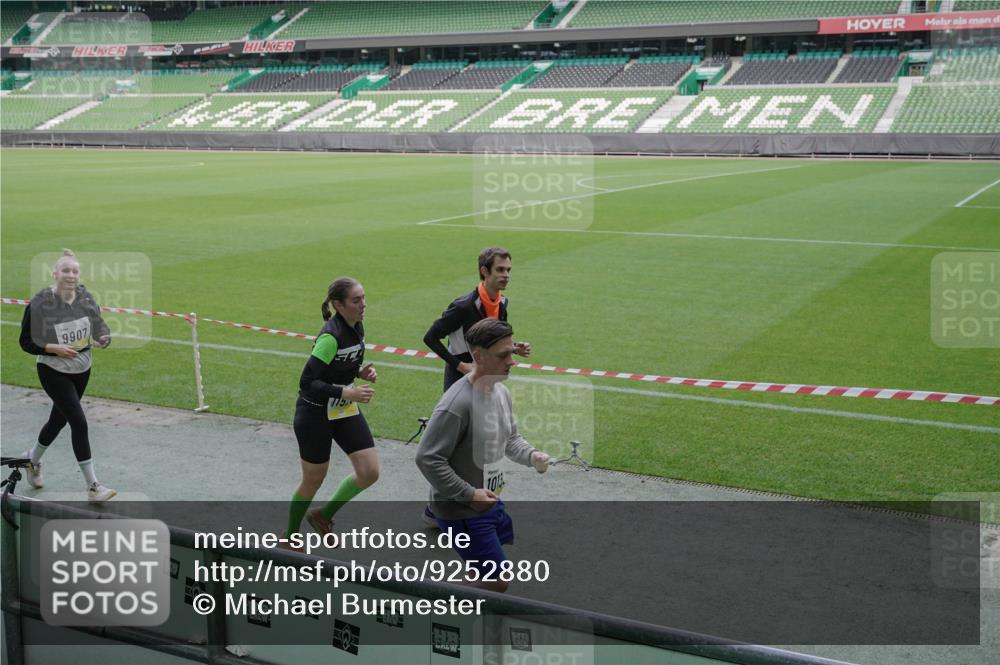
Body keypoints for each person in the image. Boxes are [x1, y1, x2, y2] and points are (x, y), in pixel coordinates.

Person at [415, 319, 550, 592]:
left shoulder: (501, 391)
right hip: (462, 510)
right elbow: (427, 458)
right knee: (497, 581)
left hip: (487, 501)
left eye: (511, 352)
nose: (512, 361)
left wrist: (532, 456)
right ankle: (427, 595)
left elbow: (511, 438)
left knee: (481, 570)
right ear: (478, 356)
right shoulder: (456, 405)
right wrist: (468, 494)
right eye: (503, 355)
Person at [421, 247, 532, 525]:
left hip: (485, 374)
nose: (506, 275)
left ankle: (473, 499)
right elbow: (430, 338)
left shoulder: (501, 303)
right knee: (453, 446)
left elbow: (495, 339)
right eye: (500, 270)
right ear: (484, 272)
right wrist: (459, 366)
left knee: (481, 441)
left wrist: (513, 349)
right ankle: (439, 507)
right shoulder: (462, 307)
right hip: (461, 377)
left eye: (508, 270)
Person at [284, 277, 379, 546]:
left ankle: (322, 516)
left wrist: (360, 372)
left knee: (369, 471)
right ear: (338, 305)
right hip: (314, 413)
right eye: (356, 300)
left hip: (343, 409)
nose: (363, 305)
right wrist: (347, 392)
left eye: (364, 298)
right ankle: (289, 537)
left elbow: (338, 367)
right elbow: (308, 382)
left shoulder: (356, 326)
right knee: (314, 479)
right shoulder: (330, 336)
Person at [18, 249, 116, 503]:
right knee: (78, 422)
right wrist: (53, 348)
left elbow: (97, 323)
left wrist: (104, 336)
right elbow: (26, 341)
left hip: (82, 368)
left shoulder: (85, 297)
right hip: (52, 369)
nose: (70, 275)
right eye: (65, 270)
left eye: (74, 271)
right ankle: (94, 486)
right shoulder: (40, 303)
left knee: (58, 421)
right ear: (55, 274)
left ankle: (32, 460)